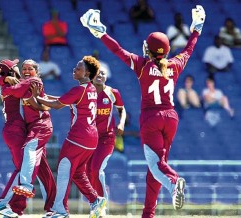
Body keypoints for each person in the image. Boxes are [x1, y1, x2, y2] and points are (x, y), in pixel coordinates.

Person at [81, 5, 205, 218]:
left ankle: (174, 181)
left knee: (157, 165)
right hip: (171, 118)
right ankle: (148, 214)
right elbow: (188, 50)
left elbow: (117, 50)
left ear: (149, 48)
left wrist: (100, 32)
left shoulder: (143, 65)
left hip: (151, 118)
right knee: (155, 165)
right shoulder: (174, 65)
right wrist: (196, 29)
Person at [35, 56, 106, 218]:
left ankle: (61, 210)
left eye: (78, 67)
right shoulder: (91, 89)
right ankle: (96, 200)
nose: (74, 69)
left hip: (78, 137)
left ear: (87, 72)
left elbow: (56, 105)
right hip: (91, 138)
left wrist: (33, 97)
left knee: (64, 170)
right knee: (78, 173)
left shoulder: (79, 90)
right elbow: (63, 100)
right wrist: (42, 95)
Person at [0, 59, 56, 218]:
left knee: (42, 171)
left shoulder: (22, 82)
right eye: (20, 67)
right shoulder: (19, 84)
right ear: (12, 70)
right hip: (17, 131)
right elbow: (16, 90)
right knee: (23, 169)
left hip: (22, 130)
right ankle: (2, 204)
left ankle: (52, 207)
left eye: (29, 68)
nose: (24, 70)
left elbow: (5, 83)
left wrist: (5, 78)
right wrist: (6, 79)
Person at [86, 67, 126, 217]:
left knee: (96, 170)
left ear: (106, 76)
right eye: (97, 73)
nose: (100, 75)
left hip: (106, 138)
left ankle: (101, 207)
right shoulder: (85, 92)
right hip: (89, 138)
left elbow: (122, 110)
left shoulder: (112, 93)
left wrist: (121, 123)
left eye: (102, 73)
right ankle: (96, 205)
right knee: (89, 173)